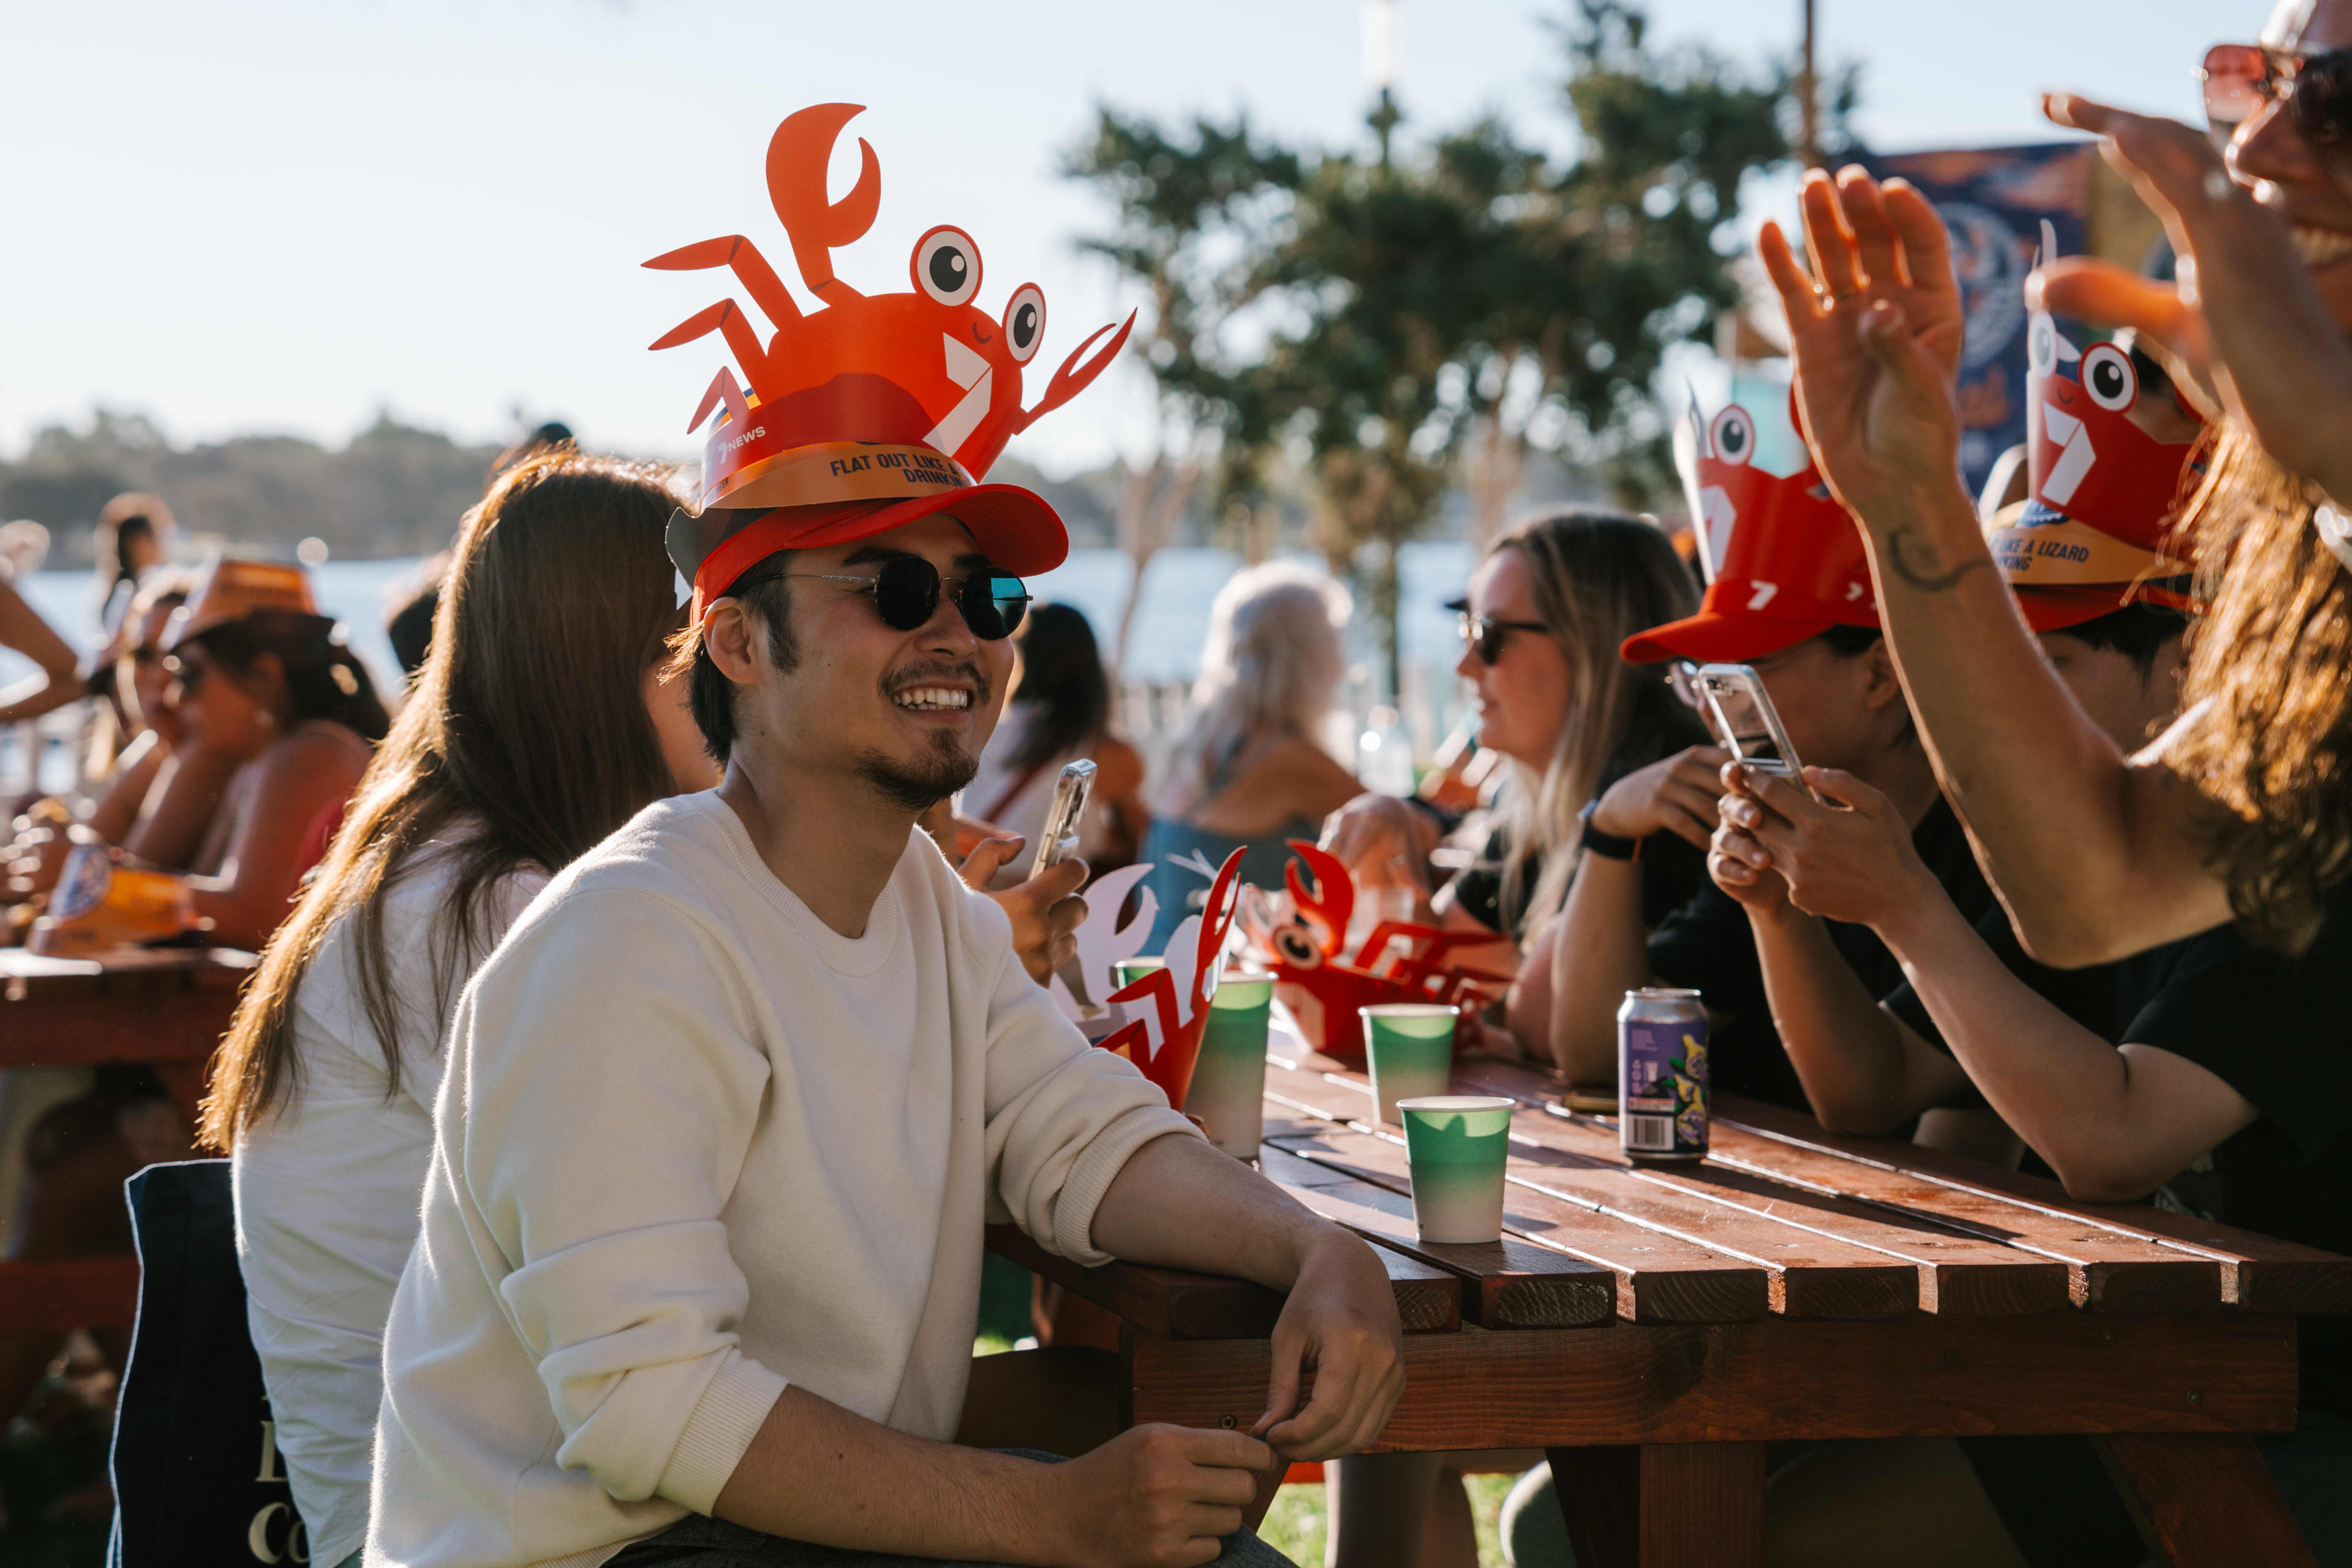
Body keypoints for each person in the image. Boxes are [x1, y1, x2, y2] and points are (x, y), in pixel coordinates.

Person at [370, 127, 1403, 1565]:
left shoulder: (919, 897)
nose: (958, 631)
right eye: (893, 581)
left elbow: (1072, 1137)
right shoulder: (632, 935)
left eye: (987, 591)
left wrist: (1318, 1246)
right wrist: (1051, 1511)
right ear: (735, 635)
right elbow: (645, 1404)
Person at [1749, 9, 2352, 965]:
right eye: (2263, 85)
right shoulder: (2324, 559)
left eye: (2338, 96)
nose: (2259, 146)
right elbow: (2096, 893)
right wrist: (1906, 494)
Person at [205, 451, 716, 1568]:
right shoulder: (500, 912)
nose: (738, 688)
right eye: (704, 648)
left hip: (460, 1498)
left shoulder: (443, 858)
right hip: (464, 1530)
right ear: (609, 667)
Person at [1523, 403, 1992, 1107]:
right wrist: (1608, 833)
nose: (1715, 710)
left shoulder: (1996, 846)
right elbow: (1600, 1057)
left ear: (1878, 675)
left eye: (1743, 671)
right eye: (1700, 678)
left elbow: (1867, 1104)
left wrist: (1777, 915)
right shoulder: (1777, 824)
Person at [1321, 511, 1706, 968]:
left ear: (1590, 646)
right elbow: (1438, 978)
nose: (1463, 665)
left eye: (1489, 634)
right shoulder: (1535, 809)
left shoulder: (1671, 815)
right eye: (1467, 630)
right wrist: (1387, 833)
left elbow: (1571, 1030)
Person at [106, 557, 390, 951]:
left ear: (266, 675)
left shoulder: (308, 755)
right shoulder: (270, 758)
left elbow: (251, 918)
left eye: (190, 673)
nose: (175, 696)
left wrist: (105, 888)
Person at [1139, 561, 1360, 950]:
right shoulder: (1288, 760)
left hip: (1160, 974)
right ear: (1309, 657)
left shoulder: (1193, 746)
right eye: (1336, 642)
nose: (1346, 664)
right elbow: (1392, 824)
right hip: (1220, 992)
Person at [962, 601, 1148, 882]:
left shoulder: (985, 726)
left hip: (966, 884)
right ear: (1091, 665)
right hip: (1037, 894)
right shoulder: (1106, 752)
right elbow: (1139, 838)